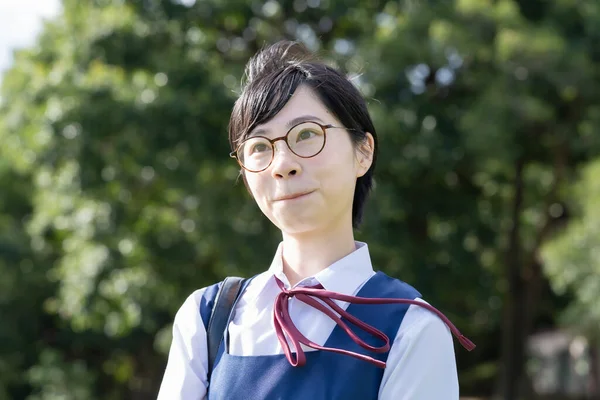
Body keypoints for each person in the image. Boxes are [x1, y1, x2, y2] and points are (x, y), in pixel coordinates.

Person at [157, 40, 474, 400]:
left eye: (306, 134)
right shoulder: (207, 317)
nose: (282, 165)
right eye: (259, 146)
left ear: (363, 152)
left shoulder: (412, 327)